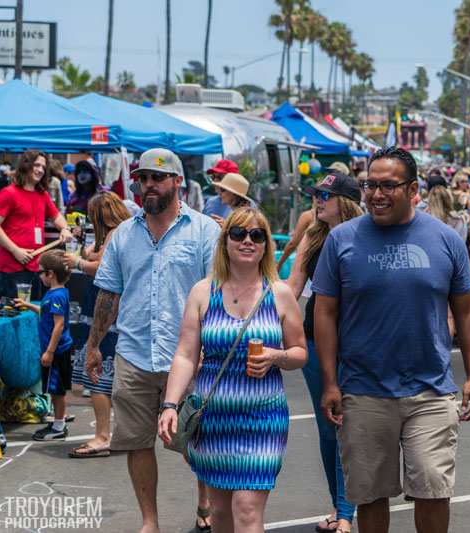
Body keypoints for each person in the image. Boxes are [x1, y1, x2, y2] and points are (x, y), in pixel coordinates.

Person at [313, 146, 470, 533]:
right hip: (363, 390)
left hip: (431, 391)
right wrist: (330, 382)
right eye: (370, 184)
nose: (376, 194)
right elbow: (325, 313)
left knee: (433, 489)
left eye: (388, 185)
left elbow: (466, 310)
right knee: (370, 494)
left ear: (413, 189)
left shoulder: (445, 240)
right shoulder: (341, 240)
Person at [86, 148, 221, 533]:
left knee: (197, 439)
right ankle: (150, 521)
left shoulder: (204, 232)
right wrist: (95, 346)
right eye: (142, 178)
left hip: (190, 357)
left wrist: (209, 352)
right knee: (136, 441)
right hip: (134, 355)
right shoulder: (123, 235)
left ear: (177, 182)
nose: (148, 185)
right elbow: (108, 294)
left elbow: (216, 297)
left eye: (157, 178)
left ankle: (205, 505)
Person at [159, 207, 307, 533]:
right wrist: (170, 404)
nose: (247, 241)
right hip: (213, 419)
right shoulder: (203, 292)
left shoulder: (279, 293)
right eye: (238, 234)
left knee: (247, 509)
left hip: (262, 418)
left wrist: (276, 356)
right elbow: (185, 354)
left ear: (266, 244)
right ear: (225, 241)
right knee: (221, 514)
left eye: (257, 235)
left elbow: (300, 352)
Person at [287, 171, 362, 533]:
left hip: (355, 343)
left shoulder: (364, 237)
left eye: (325, 195)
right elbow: (292, 288)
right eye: (315, 193)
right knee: (327, 428)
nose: (317, 199)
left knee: (346, 425)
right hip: (315, 341)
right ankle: (339, 506)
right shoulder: (313, 238)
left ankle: (347, 513)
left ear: (344, 202)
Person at [66, 192, 130, 458]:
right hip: (100, 309)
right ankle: (109, 433)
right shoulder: (118, 232)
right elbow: (94, 254)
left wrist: (78, 262)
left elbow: (103, 267)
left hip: (106, 313)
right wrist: (84, 244)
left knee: (98, 377)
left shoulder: (116, 234)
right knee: (99, 375)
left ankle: (103, 434)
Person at [13, 250, 74, 440]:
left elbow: (59, 325)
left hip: (57, 351)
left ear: (51, 274)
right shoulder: (55, 293)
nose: (39, 275)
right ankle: (57, 420)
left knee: (57, 390)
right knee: (54, 389)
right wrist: (28, 305)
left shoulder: (56, 296)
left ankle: (58, 427)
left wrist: (49, 351)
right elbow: (46, 312)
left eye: (41, 272)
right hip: (56, 349)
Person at [0, 150, 73, 300]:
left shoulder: (42, 194)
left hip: (36, 267)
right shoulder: (9, 193)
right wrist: (15, 250)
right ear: (26, 165)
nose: (40, 170)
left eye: (43, 167)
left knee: (33, 316)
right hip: (10, 269)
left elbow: (57, 216)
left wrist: (65, 228)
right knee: (14, 318)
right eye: (36, 165)